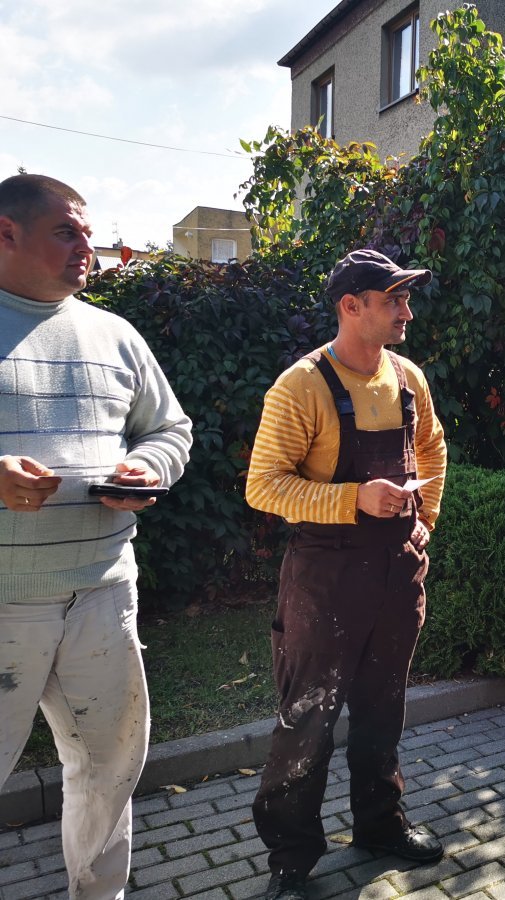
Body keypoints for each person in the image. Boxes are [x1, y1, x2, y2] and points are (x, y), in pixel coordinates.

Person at [0, 174, 193, 899]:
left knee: (110, 767)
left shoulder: (116, 334)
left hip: (104, 595)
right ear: (6, 233)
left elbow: (170, 428)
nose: (89, 246)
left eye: (88, 231)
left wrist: (146, 468)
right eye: (66, 232)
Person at [246, 249, 448, 900]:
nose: (406, 312)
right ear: (351, 306)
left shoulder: (408, 377)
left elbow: (433, 449)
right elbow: (263, 485)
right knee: (308, 718)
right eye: (394, 300)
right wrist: (352, 498)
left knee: (383, 709)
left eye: (406, 299)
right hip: (325, 578)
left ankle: (380, 825)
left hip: (398, 572)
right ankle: (291, 860)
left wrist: (425, 518)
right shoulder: (300, 386)